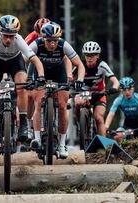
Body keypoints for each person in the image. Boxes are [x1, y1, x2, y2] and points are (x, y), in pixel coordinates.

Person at [0, 15, 45, 154]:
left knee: (22, 86)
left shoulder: (19, 40)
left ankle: (23, 123)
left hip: (14, 62)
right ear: (0, 33)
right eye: (5, 36)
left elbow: (34, 59)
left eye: (11, 36)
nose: (8, 39)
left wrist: (41, 76)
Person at [28, 22, 85, 158]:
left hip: (59, 73)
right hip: (41, 73)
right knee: (38, 102)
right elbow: (22, 59)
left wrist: (80, 80)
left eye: (55, 41)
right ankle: (36, 138)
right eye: (49, 41)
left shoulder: (63, 45)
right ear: (43, 38)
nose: (52, 44)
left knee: (62, 106)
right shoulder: (36, 44)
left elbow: (80, 65)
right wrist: (28, 78)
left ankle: (62, 143)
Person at [74, 41, 119, 136]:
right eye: (87, 55)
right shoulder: (80, 65)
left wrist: (114, 88)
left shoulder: (102, 65)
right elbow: (69, 77)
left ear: (97, 56)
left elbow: (115, 81)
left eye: (92, 55)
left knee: (98, 117)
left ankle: (103, 145)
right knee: (77, 102)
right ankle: (80, 124)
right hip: (84, 93)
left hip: (99, 94)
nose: (89, 58)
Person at [105, 77, 138, 142]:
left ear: (133, 89)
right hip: (128, 125)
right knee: (117, 135)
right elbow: (111, 114)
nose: (127, 92)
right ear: (121, 90)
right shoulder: (118, 100)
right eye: (124, 90)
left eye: (129, 89)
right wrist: (106, 127)